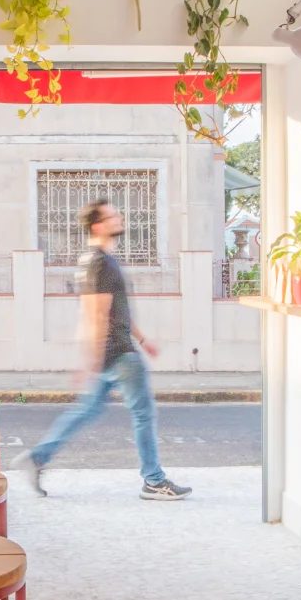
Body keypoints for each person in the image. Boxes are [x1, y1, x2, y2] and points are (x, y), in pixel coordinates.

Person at [19, 199, 193, 500]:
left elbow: (115, 311)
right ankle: (154, 481)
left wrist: (142, 339)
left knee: (87, 410)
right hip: (119, 353)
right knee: (143, 414)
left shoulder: (94, 261)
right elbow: (96, 315)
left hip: (113, 351)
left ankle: (37, 458)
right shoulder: (101, 264)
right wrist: (90, 361)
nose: (119, 218)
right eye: (112, 216)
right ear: (99, 226)